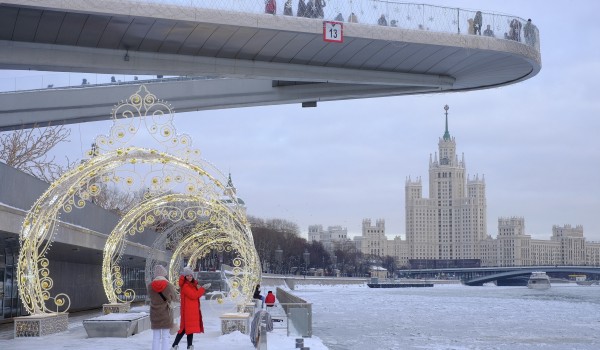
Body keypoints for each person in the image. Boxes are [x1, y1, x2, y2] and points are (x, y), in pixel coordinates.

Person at [171, 266, 210, 350]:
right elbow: (194, 295)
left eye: (191, 275)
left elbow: (195, 294)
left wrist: (199, 287)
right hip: (188, 312)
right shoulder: (185, 286)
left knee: (189, 329)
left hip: (191, 311)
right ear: (185, 276)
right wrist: (203, 288)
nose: (189, 277)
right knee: (184, 329)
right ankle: (175, 345)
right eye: (187, 275)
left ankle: (188, 346)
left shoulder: (192, 285)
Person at [148, 264, 178, 350]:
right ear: (164, 274)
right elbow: (175, 298)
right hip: (166, 313)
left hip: (154, 313)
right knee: (165, 336)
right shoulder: (169, 285)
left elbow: (150, 297)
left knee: (155, 337)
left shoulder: (150, 286)